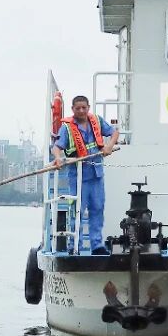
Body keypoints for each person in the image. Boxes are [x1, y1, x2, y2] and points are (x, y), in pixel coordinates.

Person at [52, 96, 119, 255]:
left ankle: (97, 245)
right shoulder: (67, 128)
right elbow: (56, 147)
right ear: (73, 109)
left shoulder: (97, 121)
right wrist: (58, 158)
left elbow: (114, 132)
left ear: (88, 107)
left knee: (97, 209)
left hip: (96, 175)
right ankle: (75, 245)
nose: (81, 111)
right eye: (78, 108)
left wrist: (109, 146)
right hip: (78, 177)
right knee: (77, 210)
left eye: (84, 107)